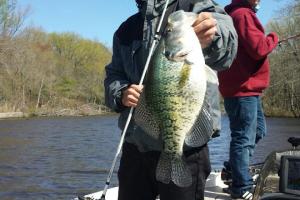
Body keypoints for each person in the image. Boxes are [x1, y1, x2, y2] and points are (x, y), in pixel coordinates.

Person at [104, 0, 237, 199]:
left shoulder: (195, 6)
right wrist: (121, 92)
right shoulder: (126, 30)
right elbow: (114, 74)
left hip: (187, 148)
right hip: (136, 144)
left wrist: (213, 37)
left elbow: (228, 46)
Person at [218, 0, 279, 199]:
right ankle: (241, 187)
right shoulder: (243, 15)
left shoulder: (234, 14)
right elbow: (259, 48)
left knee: (258, 130)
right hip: (242, 90)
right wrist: (273, 37)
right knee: (243, 138)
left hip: (245, 90)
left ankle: (232, 170)